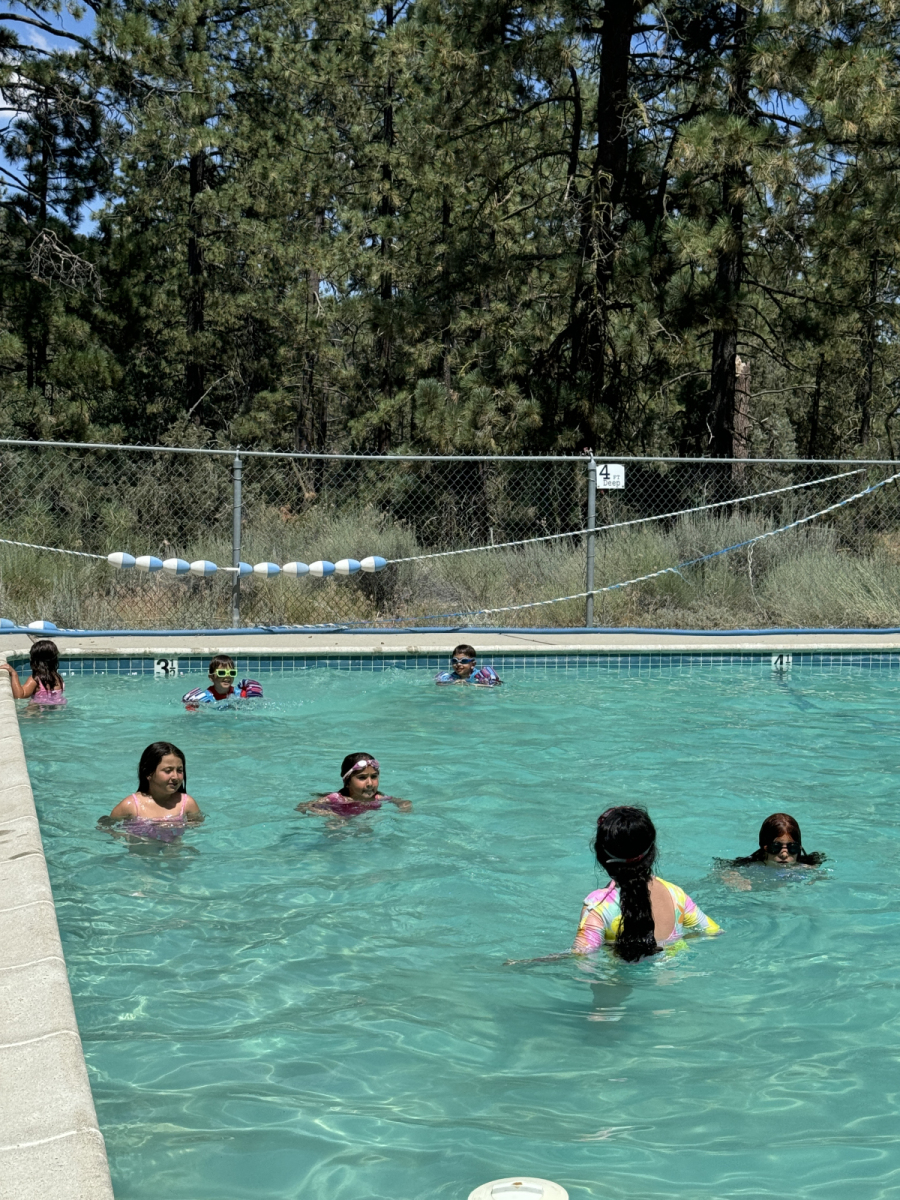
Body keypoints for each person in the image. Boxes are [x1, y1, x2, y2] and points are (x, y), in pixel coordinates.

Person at [573, 806, 720, 961]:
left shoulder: (598, 905)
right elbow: (713, 932)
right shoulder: (676, 894)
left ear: (601, 856)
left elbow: (584, 961)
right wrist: (674, 945)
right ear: (651, 852)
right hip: (678, 972)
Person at [108, 741, 201, 841]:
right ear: (148, 773)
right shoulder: (131, 806)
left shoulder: (187, 804)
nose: (175, 776)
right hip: (140, 848)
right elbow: (105, 826)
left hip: (174, 849)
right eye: (168, 771)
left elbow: (198, 832)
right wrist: (123, 836)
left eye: (179, 770)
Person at [297, 753, 412, 817]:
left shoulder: (377, 797)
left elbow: (403, 802)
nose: (370, 783)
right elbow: (304, 806)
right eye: (362, 778)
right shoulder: (337, 798)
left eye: (374, 777)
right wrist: (330, 814)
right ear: (347, 782)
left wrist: (403, 809)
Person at [721, 812, 826, 879]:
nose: (784, 854)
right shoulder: (751, 866)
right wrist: (732, 878)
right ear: (765, 847)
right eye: (776, 847)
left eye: (792, 848)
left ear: (799, 848)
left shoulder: (806, 868)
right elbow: (721, 869)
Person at [182, 655, 263, 709]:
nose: (227, 676)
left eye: (231, 673)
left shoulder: (241, 694)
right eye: (221, 673)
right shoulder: (201, 699)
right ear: (211, 677)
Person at [0, 639, 66, 705]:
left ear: (34, 661)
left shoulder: (35, 680)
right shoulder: (58, 678)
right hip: (58, 706)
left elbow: (19, 696)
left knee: (29, 709)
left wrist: (14, 674)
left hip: (38, 709)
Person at [434, 644, 501, 686]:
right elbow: (439, 685)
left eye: (464, 661)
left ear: (473, 664)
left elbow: (496, 685)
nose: (458, 664)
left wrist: (469, 684)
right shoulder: (451, 677)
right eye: (455, 661)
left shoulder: (481, 676)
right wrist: (453, 683)